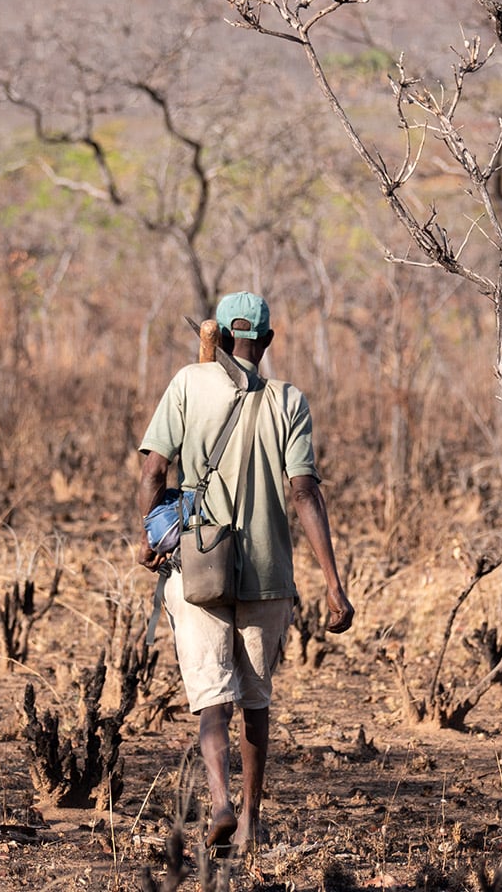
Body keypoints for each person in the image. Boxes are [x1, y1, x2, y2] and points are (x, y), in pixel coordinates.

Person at [134, 291, 354, 854]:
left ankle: (221, 802)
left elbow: (154, 470)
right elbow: (303, 491)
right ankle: (253, 822)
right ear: (268, 341)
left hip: (198, 567)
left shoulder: (187, 382)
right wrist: (333, 583)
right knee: (255, 703)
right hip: (266, 574)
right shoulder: (289, 400)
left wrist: (148, 536)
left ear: (223, 339)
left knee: (213, 700)